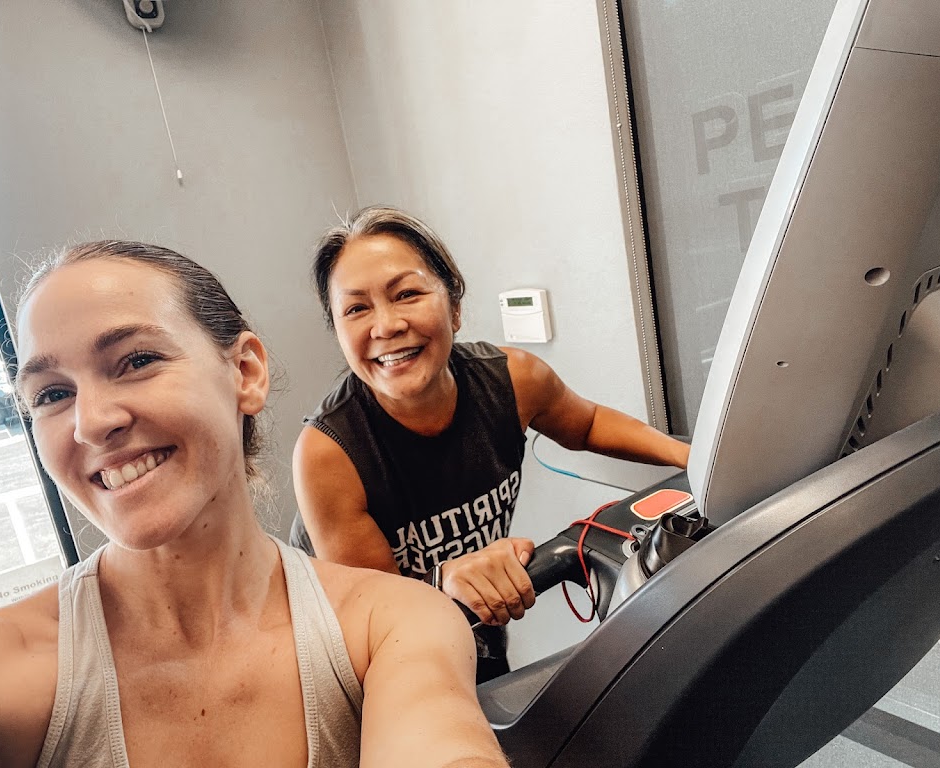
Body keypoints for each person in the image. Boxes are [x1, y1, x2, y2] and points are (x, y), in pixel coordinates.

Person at [0, 241, 508, 768]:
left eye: (137, 361)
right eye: (53, 394)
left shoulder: (391, 627)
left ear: (246, 372)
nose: (92, 422)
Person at [291, 206, 690, 682]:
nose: (386, 326)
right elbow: (373, 610)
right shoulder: (327, 454)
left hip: (472, 627)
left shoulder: (515, 380)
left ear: (455, 307)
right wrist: (442, 579)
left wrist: (697, 457)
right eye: (357, 308)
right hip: (357, 658)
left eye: (407, 294)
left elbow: (587, 425)